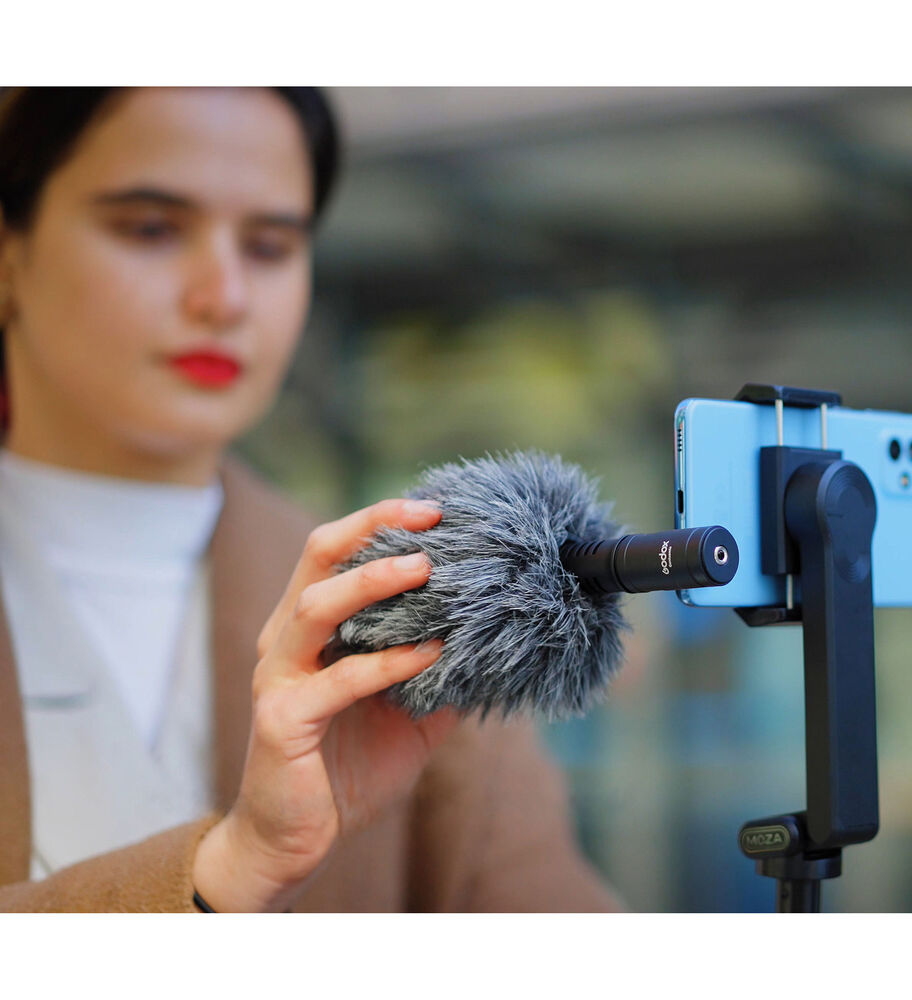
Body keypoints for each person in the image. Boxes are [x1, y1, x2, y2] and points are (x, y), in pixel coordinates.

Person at [0, 87, 625, 912]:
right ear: (11, 247)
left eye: (270, 245)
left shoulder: (409, 615)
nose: (223, 296)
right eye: (150, 228)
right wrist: (224, 873)